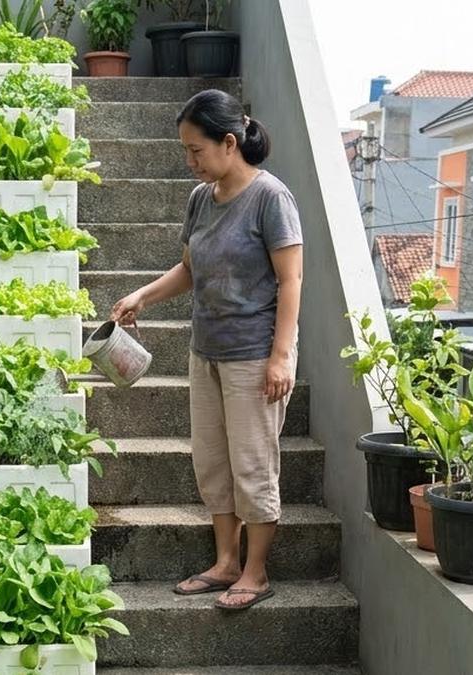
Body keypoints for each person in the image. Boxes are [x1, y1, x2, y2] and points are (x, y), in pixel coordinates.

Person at [110, 89, 304, 610]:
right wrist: (142, 296)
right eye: (185, 151)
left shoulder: (270, 198)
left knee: (253, 464)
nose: (189, 161)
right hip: (207, 350)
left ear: (229, 142)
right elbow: (190, 270)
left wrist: (281, 356)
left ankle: (256, 573)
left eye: (196, 151)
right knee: (213, 463)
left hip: (254, 355)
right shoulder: (201, 199)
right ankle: (226, 562)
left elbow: (291, 281)